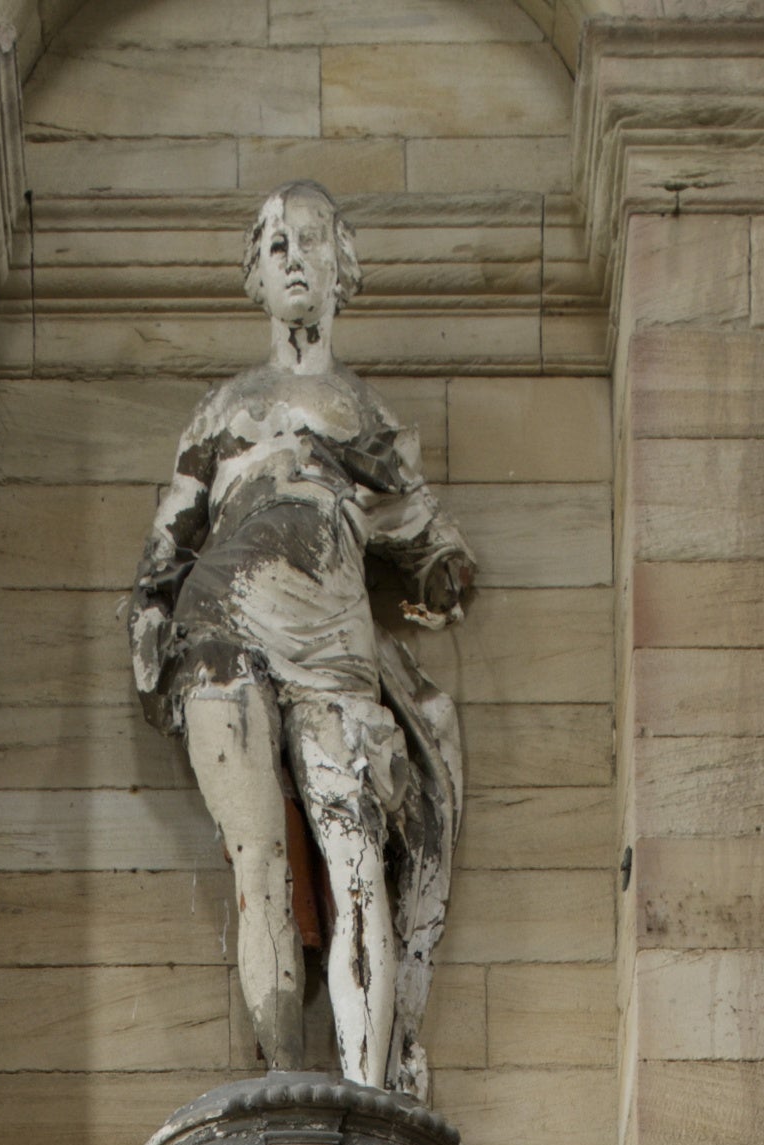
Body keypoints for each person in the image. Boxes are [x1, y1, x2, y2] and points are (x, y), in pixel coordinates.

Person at [128, 181, 476, 1098]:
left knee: (355, 851)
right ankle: (286, 1084)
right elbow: (167, 547)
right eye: (273, 241)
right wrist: (150, 626)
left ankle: (365, 1100)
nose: (290, 256)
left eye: (308, 239)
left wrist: (439, 569)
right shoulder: (224, 410)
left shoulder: (363, 415)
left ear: (339, 269)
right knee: (261, 857)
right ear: (256, 272)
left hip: (332, 646)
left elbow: (426, 529)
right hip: (221, 633)